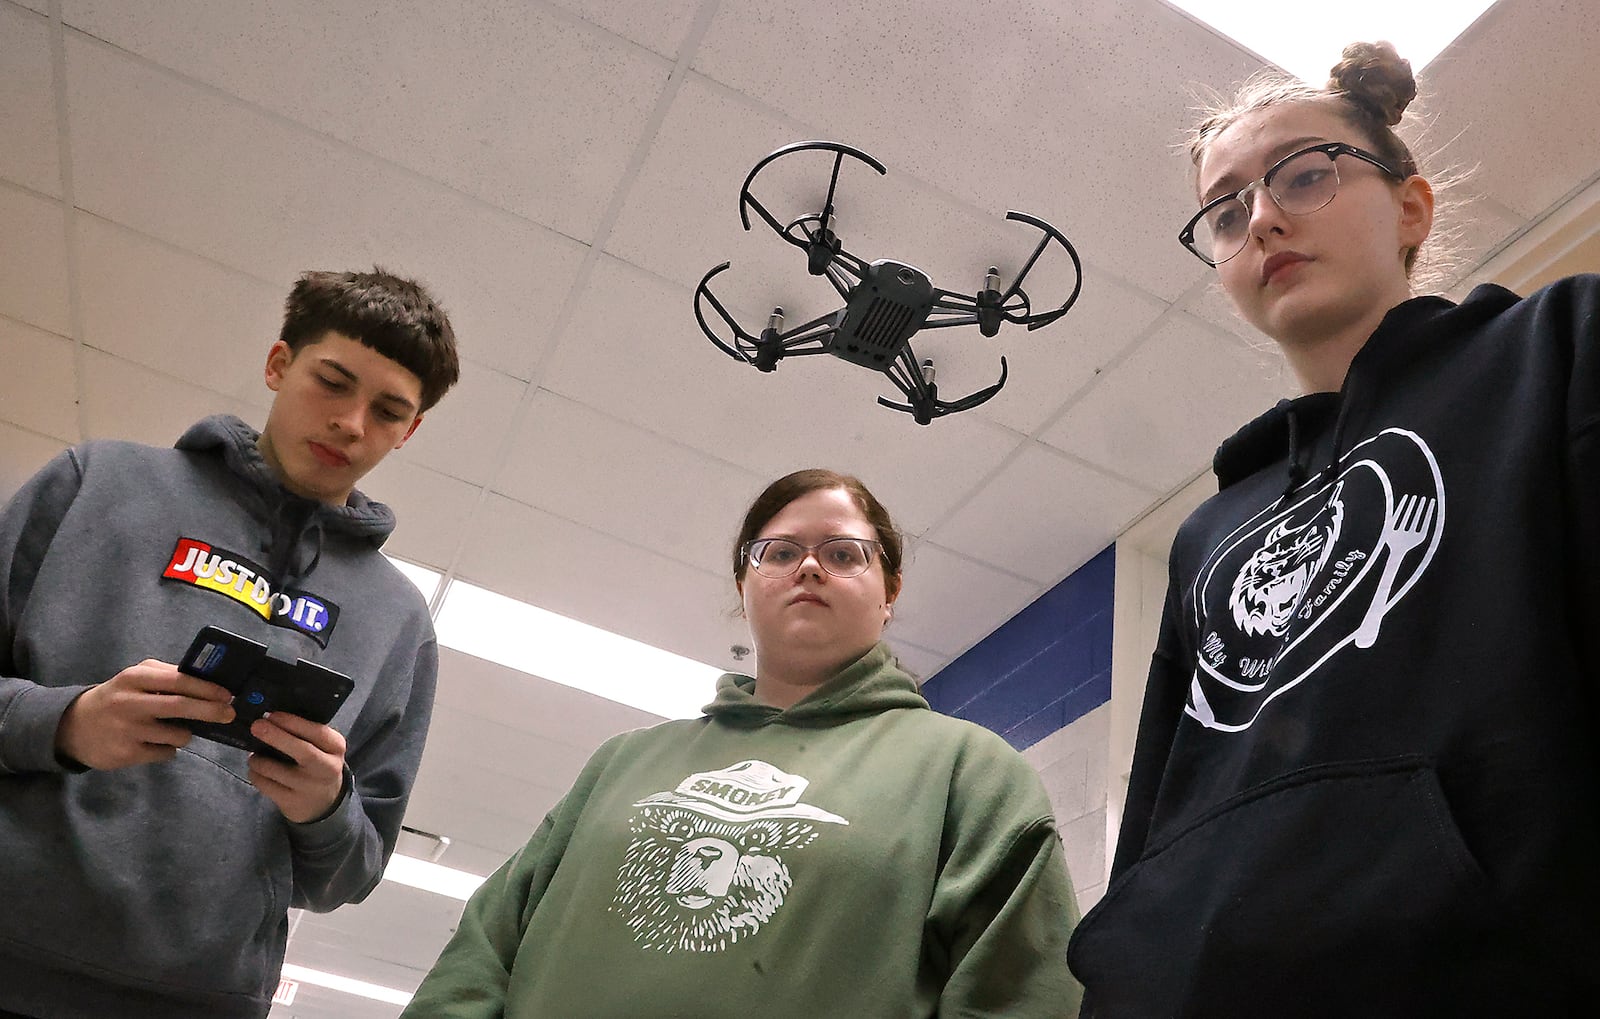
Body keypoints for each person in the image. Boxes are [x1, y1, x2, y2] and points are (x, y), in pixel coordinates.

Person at [1066, 41, 1600, 1016]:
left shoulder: (1559, 348)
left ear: (1410, 207)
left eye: (1304, 174)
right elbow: (1156, 810)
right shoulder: (1208, 529)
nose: (1262, 215)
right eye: (1225, 210)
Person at [402, 468, 1084, 1017]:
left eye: (844, 553)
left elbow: (1024, 998)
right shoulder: (624, 762)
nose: (809, 567)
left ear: (890, 592)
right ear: (744, 582)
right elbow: (483, 951)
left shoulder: (968, 771)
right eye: (780, 552)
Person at [0, 268, 461, 1018]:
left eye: (386, 411)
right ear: (279, 364)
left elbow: (348, 873)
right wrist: (66, 723)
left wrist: (326, 808)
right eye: (332, 382)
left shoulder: (400, 621)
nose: (350, 422)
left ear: (409, 431)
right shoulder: (99, 482)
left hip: (202, 997)